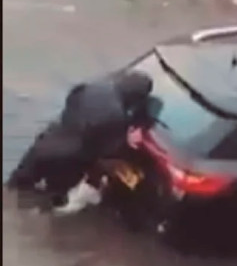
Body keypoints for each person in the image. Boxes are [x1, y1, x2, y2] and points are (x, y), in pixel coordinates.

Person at [7, 70, 153, 209]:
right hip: (70, 160)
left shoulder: (93, 86)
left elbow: (70, 100)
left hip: (48, 141)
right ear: (135, 97)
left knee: (15, 185)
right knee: (51, 198)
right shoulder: (117, 117)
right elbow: (106, 150)